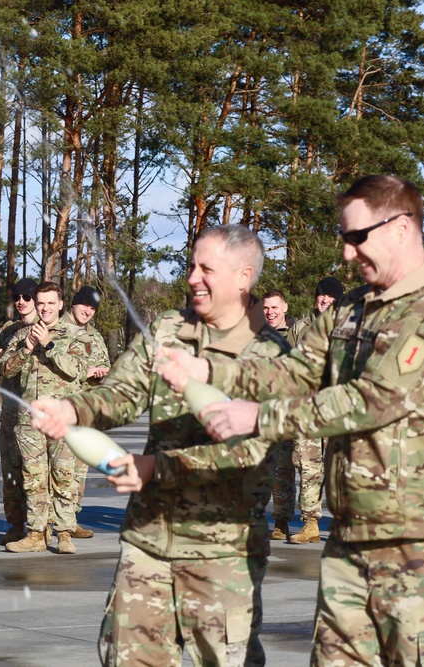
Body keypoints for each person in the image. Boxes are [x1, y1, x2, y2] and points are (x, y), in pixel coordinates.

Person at [159, 175, 424, 666]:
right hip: (350, 538)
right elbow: (294, 370)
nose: (349, 254)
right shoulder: (353, 308)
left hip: (422, 547)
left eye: (358, 237)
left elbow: (371, 400)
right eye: (344, 239)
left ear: (401, 228)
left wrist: (258, 417)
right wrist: (212, 369)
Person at [32, 225, 288, 665]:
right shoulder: (168, 328)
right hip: (148, 543)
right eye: (191, 265)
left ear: (244, 277)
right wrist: (71, 411)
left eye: (207, 268)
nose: (192, 277)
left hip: (221, 551)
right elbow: (121, 393)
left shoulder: (271, 355)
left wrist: (155, 469)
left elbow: (247, 451)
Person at [0, 281, 89, 555]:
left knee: (63, 477)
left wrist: (49, 345)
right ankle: (37, 534)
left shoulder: (75, 335)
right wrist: (26, 349)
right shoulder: (23, 333)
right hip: (30, 420)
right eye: (41, 304)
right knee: (34, 479)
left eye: (51, 303)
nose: (46, 308)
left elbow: (77, 370)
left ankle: (64, 533)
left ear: (61, 305)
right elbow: (5, 369)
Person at [276, 277, 343, 545]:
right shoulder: (300, 328)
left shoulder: (351, 325)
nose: (325, 299)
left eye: (330, 296)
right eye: (321, 295)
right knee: (308, 467)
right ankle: (311, 523)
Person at [0, 277, 38, 545]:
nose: (20, 302)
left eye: (26, 297)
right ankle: (16, 524)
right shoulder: (8, 331)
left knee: (37, 471)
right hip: (11, 410)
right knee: (11, 470)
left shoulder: (48, 329)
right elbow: (2, 369)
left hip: (36, 411)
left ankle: (44, 525)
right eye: (17, 297)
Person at [64, 285, 110, 540]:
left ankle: (70, 518)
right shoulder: (56, 328)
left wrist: (100, 373)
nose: (88, 312)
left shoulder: (94, 337)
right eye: (85, 306)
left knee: (78, 470)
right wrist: (84, 370)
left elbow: (104, 365)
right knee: (54, 469)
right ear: (73, 304)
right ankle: (49, 520)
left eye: (93, 309)